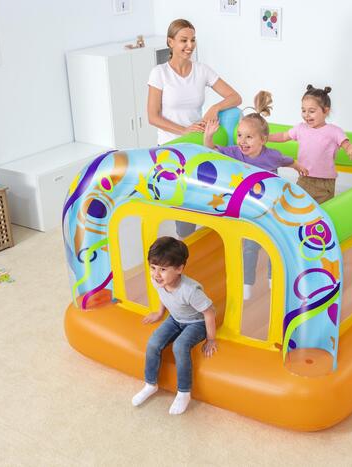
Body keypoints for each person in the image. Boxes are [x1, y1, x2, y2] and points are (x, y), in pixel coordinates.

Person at [204, 91, 308, 300]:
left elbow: (287, 160)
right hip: (250, 209)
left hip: (272, 207)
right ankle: (246, 282)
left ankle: (273, 277)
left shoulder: (272, 156)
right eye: (239, 135)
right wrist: (208, 135)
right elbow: (211, 150)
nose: (242, 141)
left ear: (263, 140)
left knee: (274, 244)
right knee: (250, 247)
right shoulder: (235, 152)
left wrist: (299, 167)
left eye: (249, 137)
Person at [147, 19, 242, 238]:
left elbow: (235, 97)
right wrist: (183, 131)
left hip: (198, 144)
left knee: (207, 199)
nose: (189, 45)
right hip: (172, 147)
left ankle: (210, 239)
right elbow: (153, 116)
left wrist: (215, 108)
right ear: (170, 42)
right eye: (183, 40)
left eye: (192, 40)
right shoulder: (159, 73)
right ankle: (185, 243)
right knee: (184, 216)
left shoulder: (202, 70)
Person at [131, 236, 217, 415]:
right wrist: (159, 313)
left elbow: (209, 312)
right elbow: (163, 296)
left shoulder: (190, 291)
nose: (156, 274)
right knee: (153, 342)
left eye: (163, 269)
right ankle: (150, 384)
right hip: (175, 318)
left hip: (196, 322)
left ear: (179, 269)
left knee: (180, 346)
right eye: (153, 267)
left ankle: (184, 392)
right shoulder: (158, 281)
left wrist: (211, 339)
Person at [268, 85, 352, 203]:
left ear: (326, 111)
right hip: (304, 178)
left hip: (325, 182)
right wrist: (266, 137)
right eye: (303, 110)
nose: (306, 115)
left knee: (323, 208)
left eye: (311, 111)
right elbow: (283, 136)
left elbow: (345, 143)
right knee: (299, 205)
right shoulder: (300, 128)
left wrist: (350, 148)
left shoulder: (334, 131)